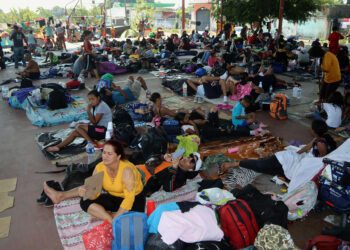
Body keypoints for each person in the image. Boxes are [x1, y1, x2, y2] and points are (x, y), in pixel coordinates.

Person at [43, 140, 145, 224]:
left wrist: (117, 216)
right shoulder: (100, 167)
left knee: (134, 219)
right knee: (85, 201)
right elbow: (93, 195)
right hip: (114, 198)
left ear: (118, 157)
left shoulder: (126, 170)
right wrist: (85, 192)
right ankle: (110, 218)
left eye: (110, 154)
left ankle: (108, 215)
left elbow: (129, 199)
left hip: (134, 200)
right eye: (104, 152)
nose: (105, 156)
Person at [220, 119, 337, 177]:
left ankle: (236, 164)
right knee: (262, 166)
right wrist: (296, 154)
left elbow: (321, 160)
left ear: (314, 131)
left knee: (266, 168)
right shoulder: (322, 138)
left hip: (302, 163)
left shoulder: (321, 142)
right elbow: (307, 147)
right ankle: (232, 164)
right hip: (292, 159)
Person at [46, 90, 112, 152]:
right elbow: (94, 123)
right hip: (98, 129)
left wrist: (88, 111)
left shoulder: (101, 106)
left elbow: (95, 122)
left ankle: (91, 143)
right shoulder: (97, 105)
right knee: (75, 132)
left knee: (79, 126)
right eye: (89, 100)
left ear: (98, 98)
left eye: (93, 99)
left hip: (104, 131)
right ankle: (58, 147)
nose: (91, 101)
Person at [136, 152, 202, 194]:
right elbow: (148, 158)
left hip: (140, 180)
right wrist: (163, 157)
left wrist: (174, 168)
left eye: (192, 161)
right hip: (136, 168)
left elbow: (168, 188)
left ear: (191, 170)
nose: (188, 158)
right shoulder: (176, 157)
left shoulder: (181, 177)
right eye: (190, 156)